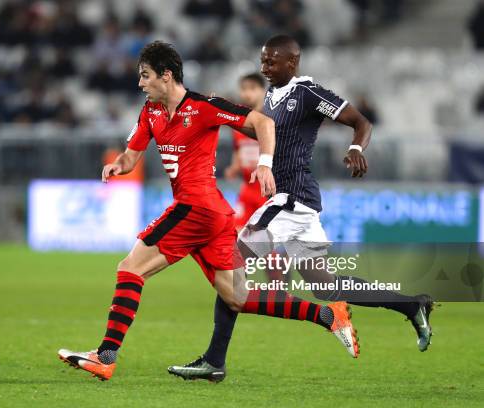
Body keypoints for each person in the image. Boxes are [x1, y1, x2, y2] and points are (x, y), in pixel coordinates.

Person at [58, 41, 359, 381]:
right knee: (237, 296)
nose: (140, 84)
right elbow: (132, 154)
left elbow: (264, 124)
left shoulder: (204, 106)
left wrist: (264, 164)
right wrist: (118, 165)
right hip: (214, 215)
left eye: (145, 76)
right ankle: (328, 317)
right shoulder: (151, 112)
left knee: (130, 268)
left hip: (196, 207)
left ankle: (106, 355)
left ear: (166, 76)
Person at [168, 34, 434, 382]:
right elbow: (269, 136)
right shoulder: (272, 97)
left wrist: (357, 148)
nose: (264, 66)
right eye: (262, 60)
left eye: (271, 61)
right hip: (299, 203)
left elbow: (361, 122)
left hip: (290, 200)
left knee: (229, 262)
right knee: (326, 287)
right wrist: (225, 111)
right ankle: (411, 304)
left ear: (291, 63)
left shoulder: (307, 92)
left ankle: (214, 361)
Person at [224, 73, 269, 230]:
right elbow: (239, 149)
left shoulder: (271, 121)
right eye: (243, 89)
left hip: (269, 191)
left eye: (252, 88)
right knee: (237, 234)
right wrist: (234, 167)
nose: (247, 93)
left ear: (263, 91)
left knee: (265, 242)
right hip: (248, 189)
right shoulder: (239, 123)